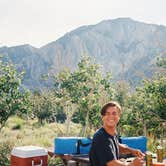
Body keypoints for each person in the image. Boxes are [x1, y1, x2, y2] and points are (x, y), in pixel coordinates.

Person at [89, 101, 145, 166]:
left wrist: (131, 151)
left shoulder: (113, 133)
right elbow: (111, 163)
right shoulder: (100, 137)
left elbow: (114, 146)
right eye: (107, 113)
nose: (111, 116)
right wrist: (131, 164)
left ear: (119, 117)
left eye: (114, 113)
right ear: (102, 117)